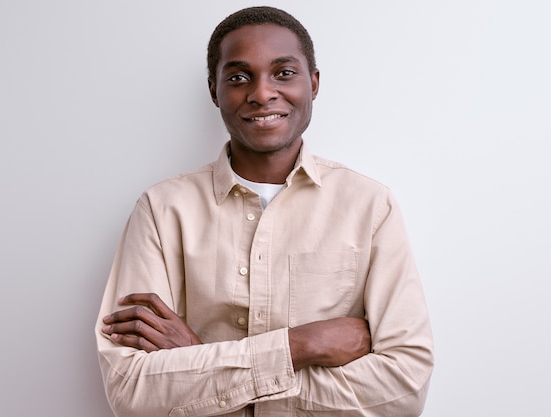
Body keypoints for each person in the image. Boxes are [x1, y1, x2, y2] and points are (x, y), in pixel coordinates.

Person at [96, 6, 433, 417]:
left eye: (284, 73)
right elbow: (131, 391)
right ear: (214, 91)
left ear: (313, 83)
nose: (261, 92)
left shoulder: (369, 205)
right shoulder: (162, 209)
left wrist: (203, 361)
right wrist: (302, 345)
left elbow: (404, 389)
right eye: (238, 77)